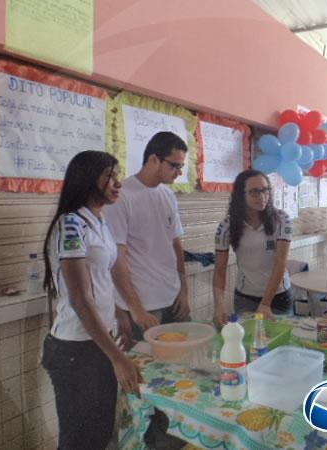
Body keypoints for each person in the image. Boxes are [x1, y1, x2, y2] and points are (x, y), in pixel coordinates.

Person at [41, 151, 141, 450]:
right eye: (109, 175)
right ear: (86, 178)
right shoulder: (71, 225)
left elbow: (104, 279)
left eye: (117, 174)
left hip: (98, 343)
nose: (118, 182)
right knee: (77, 440)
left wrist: (121, 314)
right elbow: (81, 301)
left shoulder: (99, 221)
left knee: (99, 433)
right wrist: (118, 358)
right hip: (75, 350)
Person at [105, 131, 190, 341]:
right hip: (144, 307)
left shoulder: (168, 195)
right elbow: (117, 258)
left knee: (182, 364)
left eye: (181, 167)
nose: (179, 172)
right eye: (174, 165)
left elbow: (175, 245)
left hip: (173, 298)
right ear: (153, 159)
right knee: (147, 370)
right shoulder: (122, 196)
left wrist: (184, 290)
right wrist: (135, 310)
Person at [213, 169, 293, 325]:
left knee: (279, 341)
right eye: (254, 192)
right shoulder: (226, 226)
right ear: (241, 195)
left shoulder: (282, 220)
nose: (262, 197)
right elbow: (220, 270)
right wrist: (219, 305)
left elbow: (280, 263)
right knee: (249, 344)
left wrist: (265, 303)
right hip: (245, 297)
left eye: (265, 190)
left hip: (278, 296)